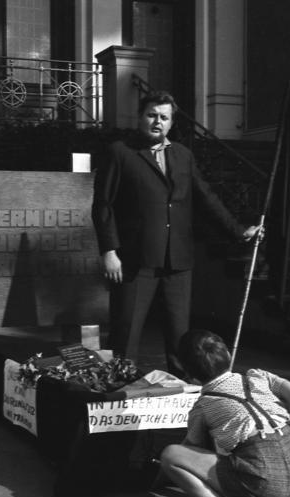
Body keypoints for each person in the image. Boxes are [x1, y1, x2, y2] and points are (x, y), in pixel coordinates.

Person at [91, 90, 259, 378]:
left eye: (164, 117)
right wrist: (109, 251)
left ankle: (182, 396)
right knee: (126, 332)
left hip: (178, 260)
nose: (157, 122)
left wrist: (238, 230)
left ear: (171, 123)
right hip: (134, 260)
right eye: (152, 115)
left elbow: (206, 197)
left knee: (180, 336)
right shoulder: (120, 152)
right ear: (140, 117)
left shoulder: (183, 155)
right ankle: (117, 391)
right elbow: (103, 205)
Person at [159, 329, 290, 497]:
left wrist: (161, 474)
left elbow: (193, 447)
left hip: (264, 481)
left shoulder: (203, 405)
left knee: (171, 455)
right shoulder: (259, 377)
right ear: (229, 355)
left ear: (189, 374)